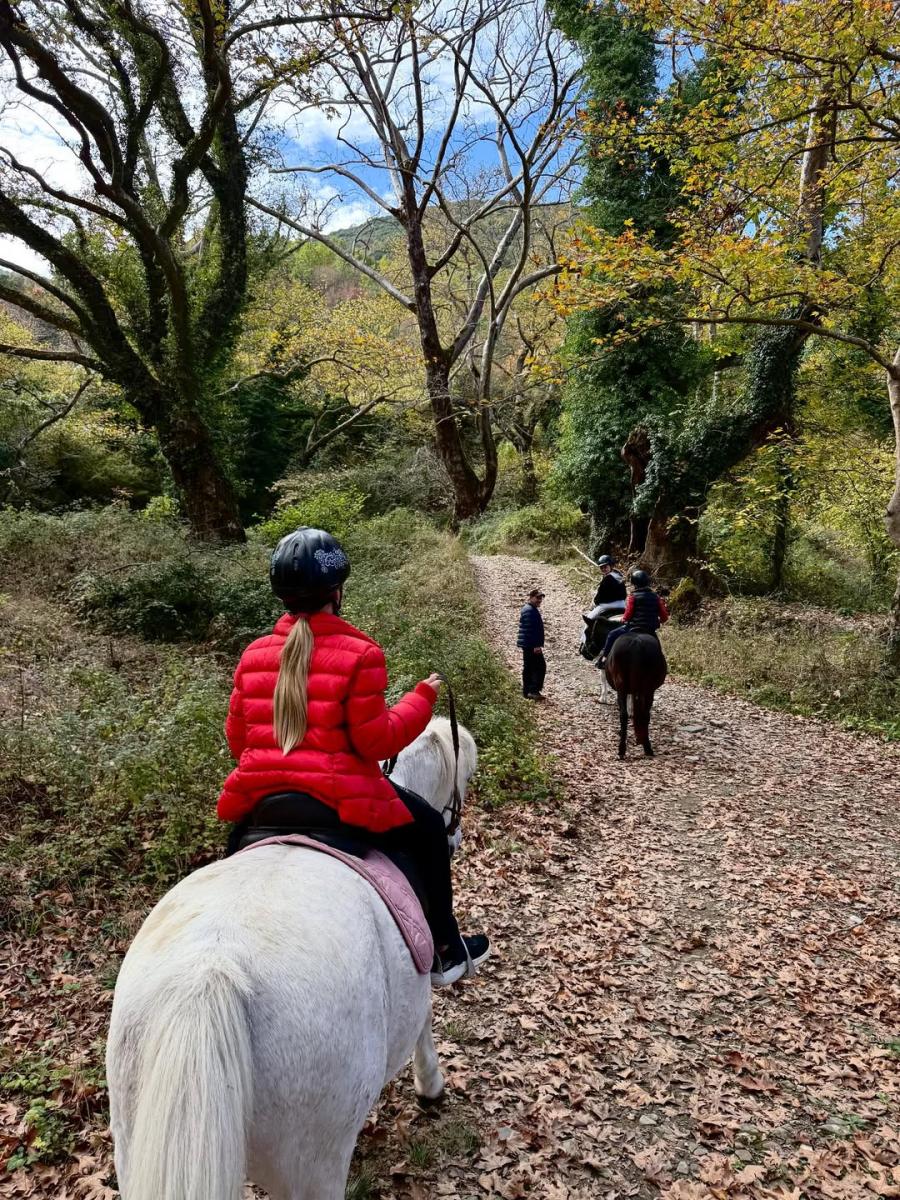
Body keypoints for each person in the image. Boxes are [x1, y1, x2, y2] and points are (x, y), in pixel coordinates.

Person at [217, 525, 489, 988]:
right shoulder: (360, 653)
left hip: (263, 802)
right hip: (336, 802)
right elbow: (376, 742)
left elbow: (237, 740)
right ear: (337, 592)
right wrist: (420, 698)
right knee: (426, 828)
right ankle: (447, 948)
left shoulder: (254, 654)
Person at [598, 569, 669, 664]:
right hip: (650, 631)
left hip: (633, 628)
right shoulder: (656, 597)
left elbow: (628, 615)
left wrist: (623, 619)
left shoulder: (633, 596)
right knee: (659, 652)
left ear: (634, 584)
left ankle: (605, 657)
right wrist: (659, 621)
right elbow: (664, 617)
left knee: (611, 635)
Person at [517, 587, 546, 699]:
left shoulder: (529, 609)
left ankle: (527, 691)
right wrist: (536, 645)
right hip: (531, 645)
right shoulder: (529, 610)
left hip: (528, 644)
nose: (539, 600)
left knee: (529, 667)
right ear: (531, 597)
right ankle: (532, 691)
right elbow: (530, 629)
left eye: (541, 598)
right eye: (537, 598)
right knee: (539, 667)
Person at [585, 555, 627, 619]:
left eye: (605, 567)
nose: (603, 569)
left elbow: (600, 596)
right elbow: (624, 594)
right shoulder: (619, 575)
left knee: (588, 619)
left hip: (608, 606)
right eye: (601, 567)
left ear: (611, 566)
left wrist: (595, 602)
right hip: (622, 604)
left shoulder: (607, 579)